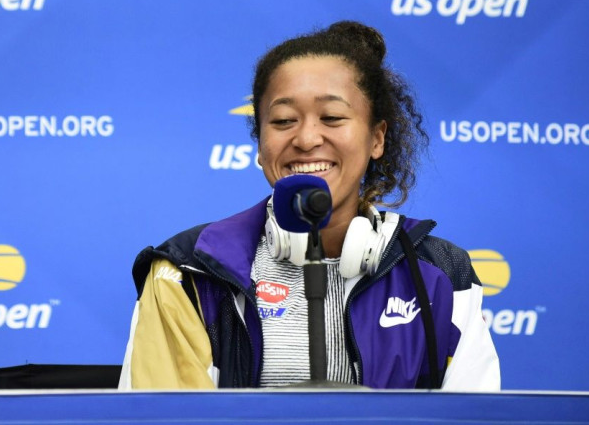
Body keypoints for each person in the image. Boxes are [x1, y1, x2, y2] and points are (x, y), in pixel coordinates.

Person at [118, 21, 500, 390]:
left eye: (332, 117)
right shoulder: (188, 271)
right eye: (283, 120)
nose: (305, 138)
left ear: (376, 139)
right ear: (260, 142)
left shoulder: (440, 275)